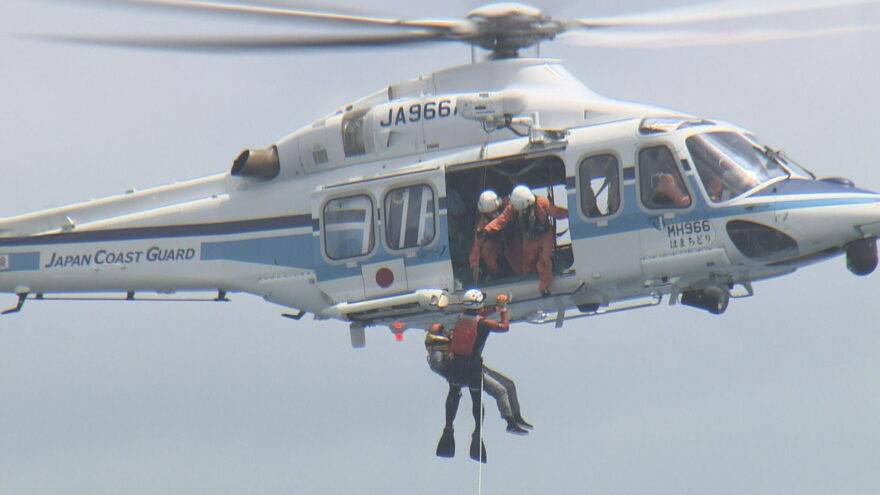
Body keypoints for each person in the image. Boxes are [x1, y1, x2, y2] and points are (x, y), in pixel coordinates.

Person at [435, 290, 528, 462]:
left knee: (454, 394)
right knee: (477, 399)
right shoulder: (483, 324)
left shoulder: (461, 318)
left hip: (456, 365)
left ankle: (449, 427)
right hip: (473, 366)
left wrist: (495, 307)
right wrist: (503, 310)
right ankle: (480, 431)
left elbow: (478, 314)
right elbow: (504, 326)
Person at [425, 323, 532, 434]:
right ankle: (510, 421)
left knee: (509, 384)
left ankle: (517, 416)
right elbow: (439, 362)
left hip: (473, 365)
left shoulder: (459, 339)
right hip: (466, 370)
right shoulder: (438, 343)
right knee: (500, 390)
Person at [480, 185, 568, 297]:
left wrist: (571, 213)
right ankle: (529, 282)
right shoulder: (512, 208)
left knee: (544, 260)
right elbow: (501, 220)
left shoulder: (542, 203)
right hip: (528, 238)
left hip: (545, 235)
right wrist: (486, 230)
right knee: (527, 263)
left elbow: (557, 212)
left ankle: (544, 287)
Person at [468, 190, 523, 282]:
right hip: (497, 241)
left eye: (494, 211)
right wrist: (474, 265)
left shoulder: (509, 204)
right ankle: (496, 272)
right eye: (489, 213)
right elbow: (476, 245)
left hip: (513, 237)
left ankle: (523, 273)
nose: (493, 214)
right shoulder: (482, 224)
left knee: (518, 260)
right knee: (487, 250)